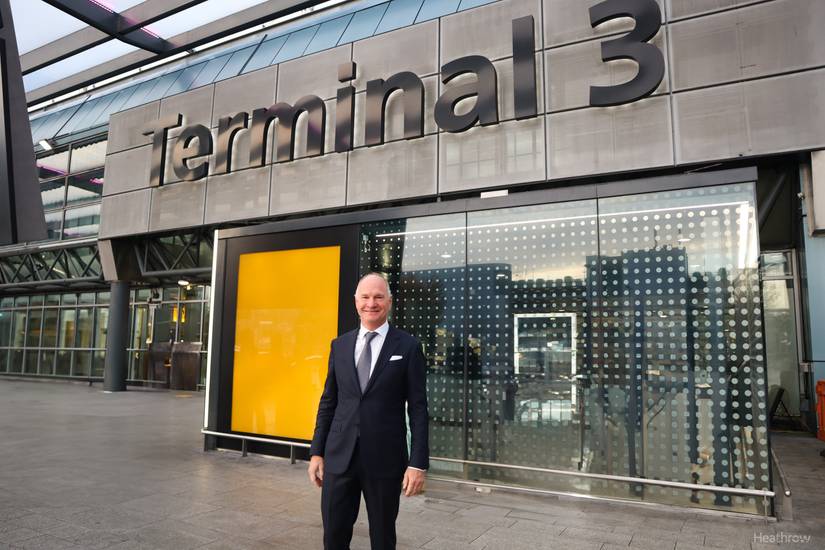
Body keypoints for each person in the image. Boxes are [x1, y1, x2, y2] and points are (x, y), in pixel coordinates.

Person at [308, 272, 429, 550]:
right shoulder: (340, 345)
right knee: (334, 536)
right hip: (339, 457)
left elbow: (419, 409)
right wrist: (317, 451)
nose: (371, 303)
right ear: (355, 301)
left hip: (385, 460)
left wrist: (418, 462)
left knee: (383, 538)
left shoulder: (408, 347)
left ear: (389, 301)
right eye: (365, 296)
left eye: (378, 297)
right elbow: (329, 401)